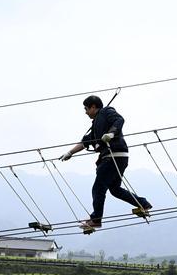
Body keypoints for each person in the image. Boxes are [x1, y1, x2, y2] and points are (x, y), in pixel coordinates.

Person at [60, 96, 152, 231]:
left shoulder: (106, 112)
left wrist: (111, 133)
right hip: (119, 157)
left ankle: (96, 219)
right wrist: (70, 153)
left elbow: (119, 119)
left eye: (86, 109)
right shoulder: (96, 125)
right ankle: (143, 203)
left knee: (98, 188)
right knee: (114, 189)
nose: (85, 112)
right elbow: (86, 142)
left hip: (112, 156)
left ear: (93, 107)